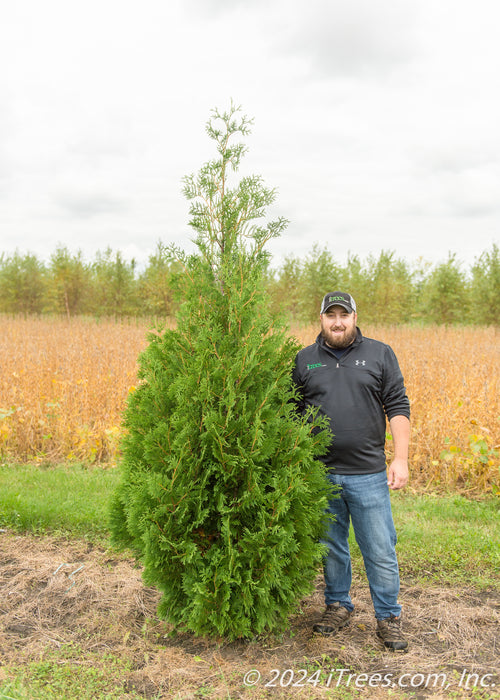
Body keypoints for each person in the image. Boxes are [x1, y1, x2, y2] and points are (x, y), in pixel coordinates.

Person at [292, 291, 410, 651]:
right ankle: (338, 605)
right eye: (331, 315)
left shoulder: (379, 353)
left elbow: (398, 405)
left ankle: (388, 616)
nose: (338, 321)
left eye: (344, 314)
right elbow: (291, 414)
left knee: (379, 549)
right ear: (321, 318)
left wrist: (400, 458)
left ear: (355, 316)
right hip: (320, 475)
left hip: (368, 474)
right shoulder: (304, 360)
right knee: (331, 547)